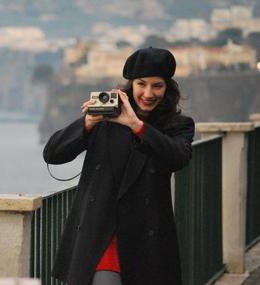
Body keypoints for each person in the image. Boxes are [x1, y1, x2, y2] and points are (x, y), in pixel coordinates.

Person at [43, 47, 195, 285]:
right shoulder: (106, 119)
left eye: (157, 86)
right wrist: (88, 123)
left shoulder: (179, 125)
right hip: (102, 234)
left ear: (167, 89)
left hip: (147, 235)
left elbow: (179, 157)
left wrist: (137, 126)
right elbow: (53, 154)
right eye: (141, 84)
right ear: (130, 86)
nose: (148, 93)